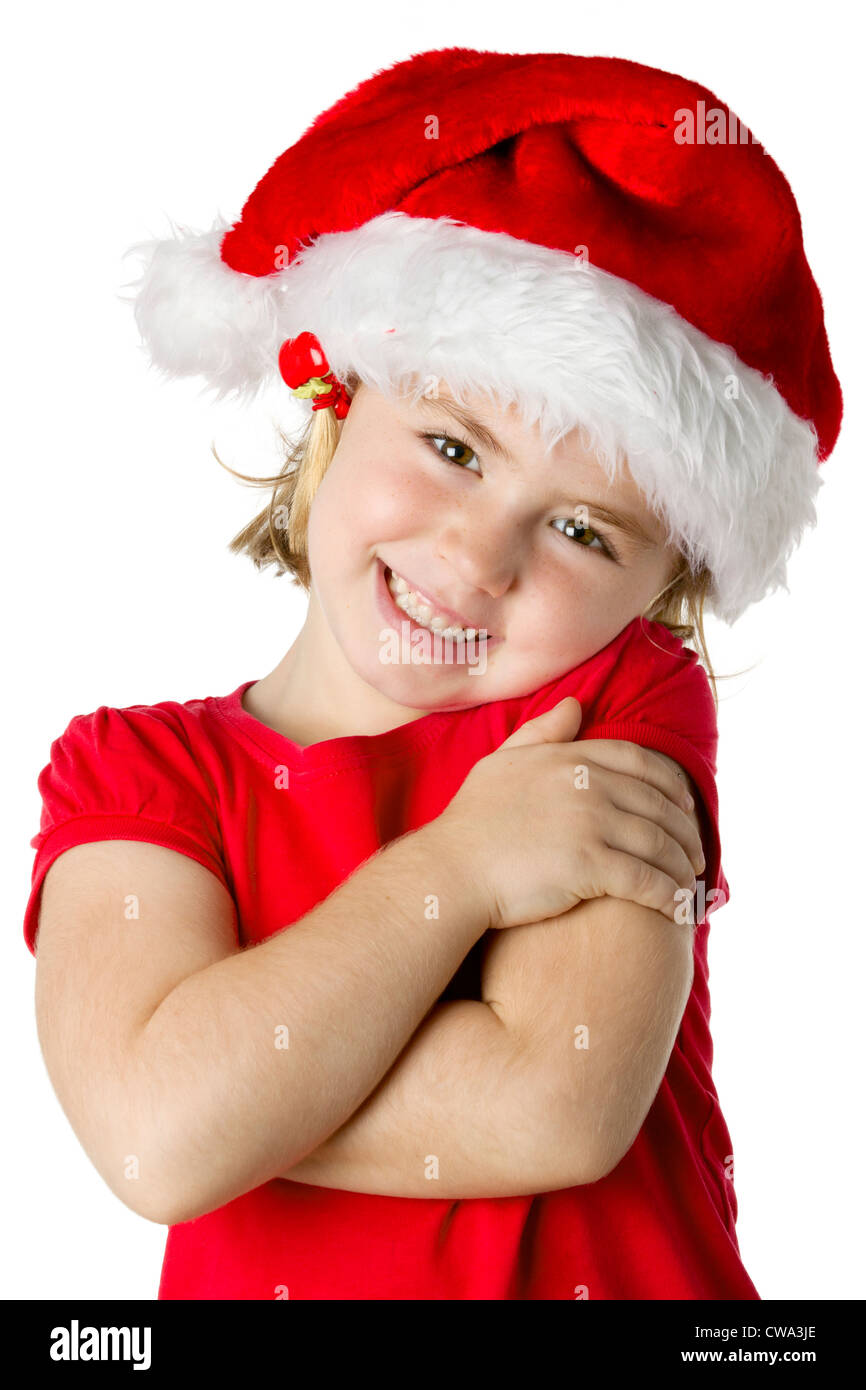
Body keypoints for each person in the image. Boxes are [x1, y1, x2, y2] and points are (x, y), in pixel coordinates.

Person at [22, 47, 842, 1300]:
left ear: (659, 591)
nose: (477, 554)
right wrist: (462, 866)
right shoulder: (134, 774)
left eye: (582, 529)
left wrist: (228, 1094)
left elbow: (552, 1102)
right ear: (335, 404)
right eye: (453, 444)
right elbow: (152, 1137)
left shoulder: (622, 694)